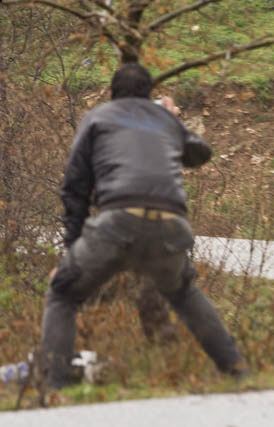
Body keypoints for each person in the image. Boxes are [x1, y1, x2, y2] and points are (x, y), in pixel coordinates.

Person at [40, 63, 246, 389]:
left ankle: (54, 388)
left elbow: (74, 188)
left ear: (112, 92)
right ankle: (238, 373)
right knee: (183, 293)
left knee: (63, 293)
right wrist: (172, 119)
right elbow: (200, 154)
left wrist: (71, 251)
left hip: (117, 222)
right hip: (170, 226)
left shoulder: (98, 117)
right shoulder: (165, 120)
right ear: (150, 94)